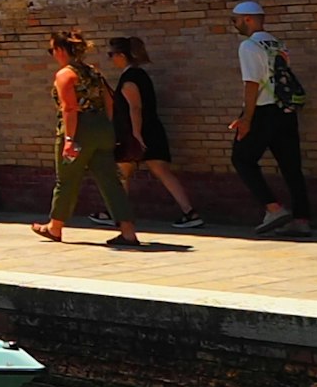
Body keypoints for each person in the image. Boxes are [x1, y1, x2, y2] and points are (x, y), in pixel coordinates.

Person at [32, 30, 141, 248]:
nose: (52, 54)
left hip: (78, 131)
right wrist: (105, 127)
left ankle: (55, 227)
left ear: (61, 50)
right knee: (110, 181)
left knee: (67, 179)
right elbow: (110, 102)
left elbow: (69, 108)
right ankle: (128, 232)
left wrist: (70, 139)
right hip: (102, 129)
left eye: (52, 49)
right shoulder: (93, 72)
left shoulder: (65, 75)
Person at [230, 0, 313, 234]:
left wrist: (246, 118)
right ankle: (302, 220)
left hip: (263, 110)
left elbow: (252, 83)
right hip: (285, 110)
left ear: (248, 19)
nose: (234, 25)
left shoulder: (248, 46)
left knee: (242, 159)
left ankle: (274, 208)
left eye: (235, 20)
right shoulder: (278, 43)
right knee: (291, 166)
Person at [107, 37, 204, 225]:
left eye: (111, 55)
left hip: (137, 133)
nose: (111, 59)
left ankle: (118, 214)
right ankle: (190, 212)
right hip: (152, 130)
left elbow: (135, 108)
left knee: (121, 173)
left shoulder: (129, 79)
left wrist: (136, 135)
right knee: (159, 172)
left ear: (121, 55)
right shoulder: (141, 75)